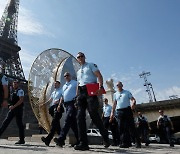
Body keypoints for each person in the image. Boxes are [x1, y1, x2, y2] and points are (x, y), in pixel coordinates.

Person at [74, 52, 110, 151]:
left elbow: (99, 75)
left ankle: (105, 136)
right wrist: (76, 96)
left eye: (81, 56)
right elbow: (78, 84)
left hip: (90, 90)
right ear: (77, 59)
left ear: (84, 57)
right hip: (81, 92)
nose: (80, 58)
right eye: (78, 57)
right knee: (79, 117)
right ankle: (83, 143)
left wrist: (101, 86)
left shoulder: (91, 65)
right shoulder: (78, 71)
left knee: (94, 115)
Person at [110, 81, 141, 148]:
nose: (118, 86)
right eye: (117, 85)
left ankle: (138, 142)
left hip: (127, 110)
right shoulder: (115, 94)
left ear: (122, 85)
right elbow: (114, 104)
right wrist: (112, 113)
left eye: (119, 85)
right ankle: (124, 143)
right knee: (121, 127)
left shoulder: (127, 92)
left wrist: (133, 103)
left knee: (131, 126)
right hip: (119, 111)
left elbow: (133, 99)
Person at [54, 72, 79, 147]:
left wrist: (76, 100)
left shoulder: (75, 83)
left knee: (67, 120)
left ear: (70, 76)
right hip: (66, 105)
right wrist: (59, 104)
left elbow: (78, 91)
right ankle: (80, 140)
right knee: (73, 124)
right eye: (65, 76)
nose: (66, 77)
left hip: (73, 103)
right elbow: (62, 96)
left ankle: (61, 139)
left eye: (67, 75)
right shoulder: (64, 86)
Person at [41, 81, 64, 146]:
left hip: (58, 108)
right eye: (54, 84)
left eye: (56, 84)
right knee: (57, 125)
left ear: (59, 84)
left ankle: (48, 139)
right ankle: (61, 140)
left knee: (54, 124)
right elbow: (50, 100)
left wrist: (59, 104)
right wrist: (44, 104)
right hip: (53, 108)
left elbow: (62, 98)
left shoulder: (61, 90)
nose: (55, 85)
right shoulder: (54, 92)